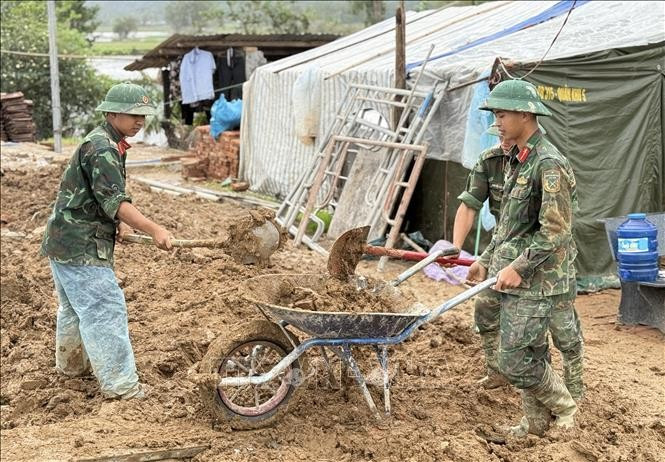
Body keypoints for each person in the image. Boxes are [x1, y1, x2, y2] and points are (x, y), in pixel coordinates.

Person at [40, 82, 173, 400]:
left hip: (64, 240)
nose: (140, 121)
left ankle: (72, 367)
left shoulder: (105, 141)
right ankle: (122, 387)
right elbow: (117, 201)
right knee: (104, 309)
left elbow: (101, 197)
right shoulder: (103, 148)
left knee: (73, 308)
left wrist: (116, 224)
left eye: (143, 115)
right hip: (81, 246)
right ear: (112, 113)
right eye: (133, 115)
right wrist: (154, 229)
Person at [467, 79, 581, 437]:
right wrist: (490, 257)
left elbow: (555, 230)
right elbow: (511, 226)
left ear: (525, 114)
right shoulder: (518, 159)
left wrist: (518, 267)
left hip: (540, 281)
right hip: (521, 277)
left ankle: (566, 406)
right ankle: (533, 424)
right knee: (530, 351)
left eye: (502, 114)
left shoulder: (548, 165)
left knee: (514, 359)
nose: (497, 122)